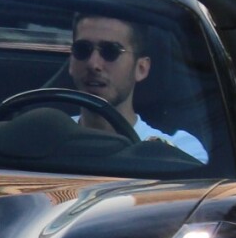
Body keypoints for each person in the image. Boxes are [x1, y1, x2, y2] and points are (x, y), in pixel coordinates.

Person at [63, 12, 205, 161]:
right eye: (82, 49)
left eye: (110, 51)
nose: (93, 64)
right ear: (71, 62)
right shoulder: (46, 136)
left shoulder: (181, 150)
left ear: (141, 68)